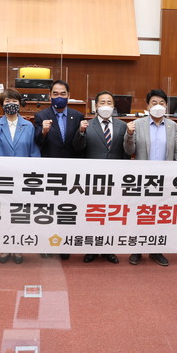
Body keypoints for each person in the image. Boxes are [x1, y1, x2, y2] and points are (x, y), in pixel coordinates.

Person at [123, 89, 177, 267]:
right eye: (154, 102)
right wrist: (129, 134)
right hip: (143, 178)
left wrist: (176, 176)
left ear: (166, 106)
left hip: (165, 179)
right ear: (147, 106)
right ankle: (137, 249)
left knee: (160, 214)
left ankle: (156, 250)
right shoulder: (137, 124)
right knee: (141, 213)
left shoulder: (173, 126)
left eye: (162, 103)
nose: (158, 106)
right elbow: (129, 150)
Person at [0, 88, 41, 264]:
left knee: (20, 213)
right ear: (2, 105)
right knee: (3, 212)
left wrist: (33, 175)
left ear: (20, 104)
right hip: (3, 177)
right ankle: (5, 246)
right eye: (7, 101)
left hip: (23, 177)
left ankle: (18, 247)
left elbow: (34, 151)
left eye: (14, 101)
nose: (11, 104)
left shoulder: (28, 126)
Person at [73, 91, 128, 264]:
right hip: (93, 179)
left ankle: (108, 248)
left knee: (111, 215)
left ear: (114, 106)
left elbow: (126, 153)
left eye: (109, 102)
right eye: (102, 102)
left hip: (115, 178)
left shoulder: (122, 126)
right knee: (93, 214)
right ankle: (91, 248)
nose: (106, 105)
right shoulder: (87, 125)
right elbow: (77, 148)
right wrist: (81, 132)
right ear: (96, 106)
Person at [34, 79, 83, 260]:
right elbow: (37, 143)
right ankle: (46, 243)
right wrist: (43, 132)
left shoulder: (78, 116)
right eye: (55, 94)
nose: (59, 97)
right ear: (50, 96)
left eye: (63, 94)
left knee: (67, 209)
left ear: (69, 96)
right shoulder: (41, 116)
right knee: (48, 209)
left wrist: (82, 132)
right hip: (49, 170)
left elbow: (80, 145)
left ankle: (64, 244)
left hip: (71, 170)